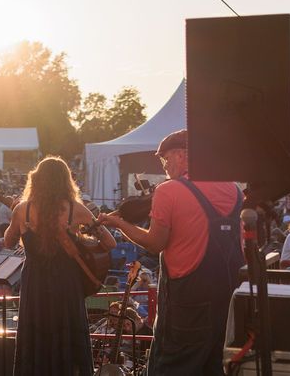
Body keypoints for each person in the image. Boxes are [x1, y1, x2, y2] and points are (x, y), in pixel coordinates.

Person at [99, 129, 242, 376]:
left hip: (187, 302)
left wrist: (119, 224)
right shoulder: (233, 189)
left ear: (182, 155)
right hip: (228, 299)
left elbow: (155, 243)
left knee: (170, 367)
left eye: (165, 159)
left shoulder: (169, 190)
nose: (164, 167)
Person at [4, 156, 115, 376]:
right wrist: (82, 239)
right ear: (66, 181)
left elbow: (8, 241)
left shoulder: (22, 210)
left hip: (35, 284)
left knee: (35, 336)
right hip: (66, 283)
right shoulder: (76, 210)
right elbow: (109, 243)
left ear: (36, 180)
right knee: (68, 332)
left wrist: (15, 215)